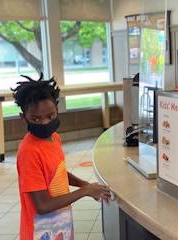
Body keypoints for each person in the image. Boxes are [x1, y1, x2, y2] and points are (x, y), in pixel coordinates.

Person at [11, 73, 112, 240]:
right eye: (36, 119)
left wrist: (84, 184)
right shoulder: (29, 152)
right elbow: (42, 206)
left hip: (60, 225)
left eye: (50, 116)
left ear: (57, 110)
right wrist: (85, 191)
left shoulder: (54, 138)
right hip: (40, 232)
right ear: (24, 118)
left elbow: (56, 174)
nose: (44, 123)